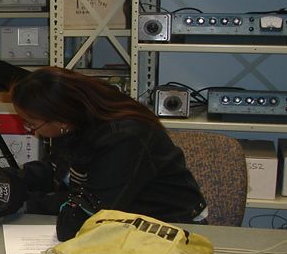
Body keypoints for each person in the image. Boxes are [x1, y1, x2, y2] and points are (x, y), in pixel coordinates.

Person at [10, 66, 206, 241]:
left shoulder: (125, 136)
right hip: (123, 221)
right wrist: (4, 181)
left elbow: (93, 204)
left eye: (32, 123)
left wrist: (20, 202)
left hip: (171, 227)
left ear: (61, 118)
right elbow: (56, 172)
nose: (29, 128)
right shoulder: (72, 123)